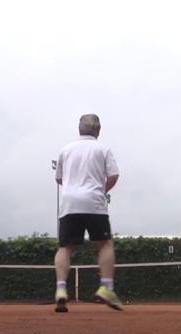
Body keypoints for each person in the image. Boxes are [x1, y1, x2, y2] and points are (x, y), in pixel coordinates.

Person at [53, 114, 122, 312]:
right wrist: (101, 190)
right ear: (98, 130)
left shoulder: (66, 150)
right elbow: (114, 175)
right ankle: (107, 287)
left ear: (79, 129)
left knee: (65, 247)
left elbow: (59, 179)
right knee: (105, 244)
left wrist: (73, 187)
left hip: (69, 203)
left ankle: (60, 290)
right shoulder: (103, 149)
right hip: (94, 202)